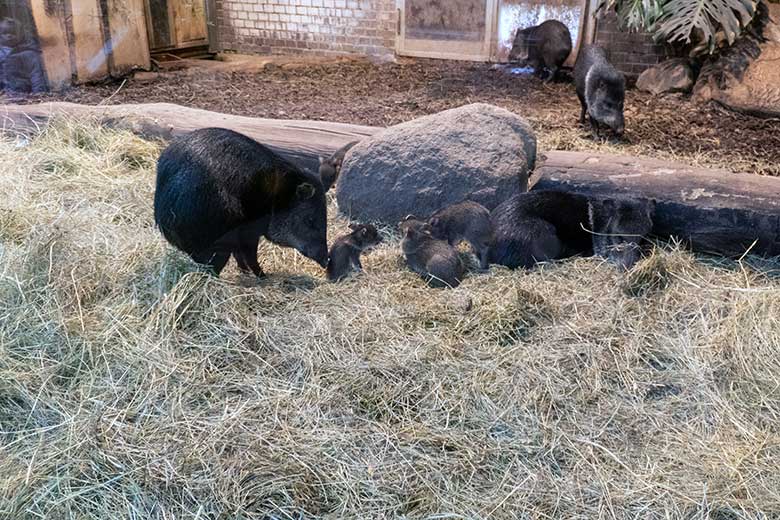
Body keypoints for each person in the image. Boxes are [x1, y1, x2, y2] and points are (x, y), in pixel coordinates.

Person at [0, 17, 47, 94]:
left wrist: (39, 94)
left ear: (21, 35)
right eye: (5, 33)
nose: (9, 36)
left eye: (14, 33)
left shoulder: (29, 54)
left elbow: (36, 75)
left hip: (23, 93)